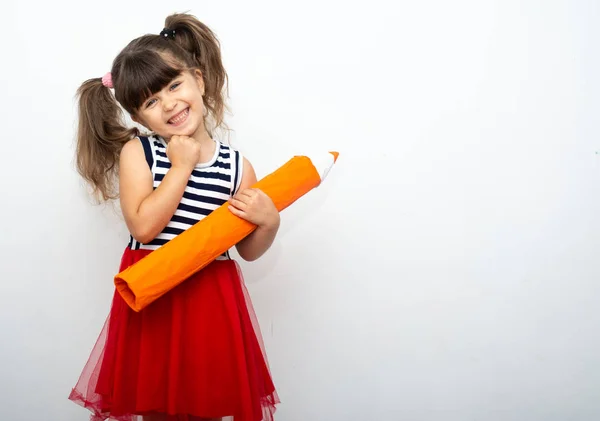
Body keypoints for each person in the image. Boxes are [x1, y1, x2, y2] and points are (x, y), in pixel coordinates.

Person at [68, 12, 280, 421]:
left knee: (207, 405)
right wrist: (180, 167)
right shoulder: (140, 153)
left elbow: (247, 251)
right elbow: (144, 227)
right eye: (150, 101)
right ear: (137, 117)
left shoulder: (237, 167)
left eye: (174, 85)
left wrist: (268, 222)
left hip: (210, 297)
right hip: (156, 296)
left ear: (198, 80)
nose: (168, 104)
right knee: (158, 408)